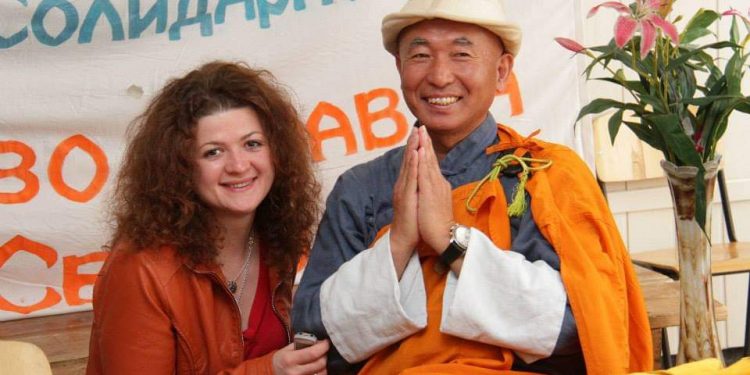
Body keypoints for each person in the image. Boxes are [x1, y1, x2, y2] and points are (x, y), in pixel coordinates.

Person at [292, 1, 653, 374]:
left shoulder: (544, 176)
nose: (439, 76)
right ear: (399, 69)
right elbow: (310, 332)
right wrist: (399, 242)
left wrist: (451, 241)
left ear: (501, 72)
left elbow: (580, 327)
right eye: (420, 55)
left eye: (461, 54)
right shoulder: (361, 189)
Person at [87, 61, 329, 374]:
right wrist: (269, 371)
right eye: (213, 152)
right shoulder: (140, 269)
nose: (239, 165)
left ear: (277, 152)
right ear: (180, 168)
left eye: (252, 144)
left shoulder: (274, 237)